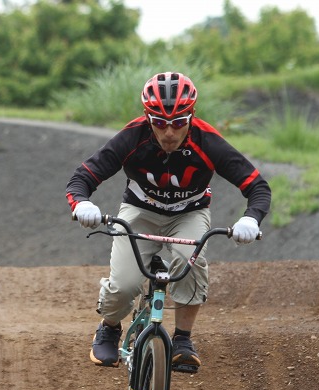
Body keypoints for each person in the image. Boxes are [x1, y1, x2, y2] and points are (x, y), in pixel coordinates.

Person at [66, 71, 271, 372]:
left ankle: (184, 339)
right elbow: (82, 178)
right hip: (140, 211)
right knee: (124, 284)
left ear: (192, 116)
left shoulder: (208, 141)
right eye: (160, 123)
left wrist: (251, 219)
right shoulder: (132, 137)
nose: (169, 133)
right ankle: (109, 327)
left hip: (189, 213)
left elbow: (257, 187)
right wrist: (82, 203)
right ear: (148, 117)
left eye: (178, 123)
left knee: (191, 263)